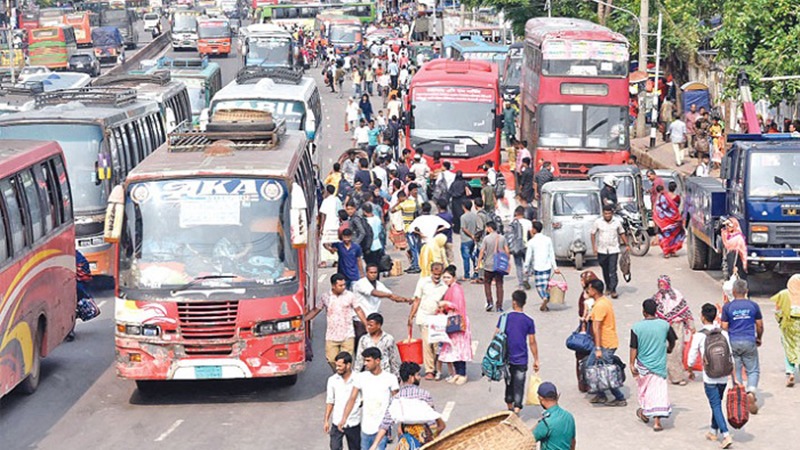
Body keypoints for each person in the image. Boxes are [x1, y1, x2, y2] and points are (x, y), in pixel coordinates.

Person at [687, 304, 736, 448]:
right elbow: (730, 354)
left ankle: (726, 434)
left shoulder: (700, 335)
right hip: (723, 375)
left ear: (702, 317)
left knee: (715, 404)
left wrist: (690, 369)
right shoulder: (724, 333)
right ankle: (713, 431)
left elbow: (691, 356)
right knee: (717, 403)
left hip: (709, 376)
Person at [369, 362, 446, 449]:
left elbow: (385, 424)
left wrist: (375, 444)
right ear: (411, 377)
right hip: (424, 440)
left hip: (406, 442)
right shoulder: (424, 395)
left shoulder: (396, 398)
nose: (420, 378)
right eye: (417, 375)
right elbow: (432, 420)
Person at [630, 299, 677, 432]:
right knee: (658, 392)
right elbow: (673, 340)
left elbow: (633, 347)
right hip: (659, 364)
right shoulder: (664, 325)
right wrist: (669, 349)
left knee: (645, 391)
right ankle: (656, 421)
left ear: (643, 312)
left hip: (643, 365)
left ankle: (645, 411)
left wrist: (631, 363)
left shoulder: (636, 327)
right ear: (655, 311)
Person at [339, 348, 400, 450]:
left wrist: (399, 424)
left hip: (382, 428)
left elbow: (397, 402)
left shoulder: (390, 378)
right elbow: (352, 399)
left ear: (377, 361)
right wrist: (344, 418)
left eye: (368, 360)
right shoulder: (361, 377)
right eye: (364, 360)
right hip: (366, 428)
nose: (365, 363)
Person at [306, 274, 369, 372]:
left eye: (344, 285)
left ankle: (346, 380)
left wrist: (366, 324)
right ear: (333, 286)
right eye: (340, 285)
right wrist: (303, 320)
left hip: (348, 334)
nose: (343, 287)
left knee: (347, 361)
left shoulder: (350, 296)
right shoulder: (325, 297)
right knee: (331, 359)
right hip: (331, 336)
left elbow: (358, 310)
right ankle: (340, 374)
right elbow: (315, 310)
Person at [721, 279, 763, 414]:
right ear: (746, 291)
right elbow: (760, 325)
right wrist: (759, 338)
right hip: (749, 340)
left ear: (733, 292)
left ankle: (739, 393)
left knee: (736, 369)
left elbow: (724, 326)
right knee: (753, 369)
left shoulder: (727, 307)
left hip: (733, 341)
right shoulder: (753, 306)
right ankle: (751, 391)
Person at [498, 290, 540, 414]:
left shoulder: (504, 318)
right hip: (522, 358)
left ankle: (509, 406)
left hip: (507, 357)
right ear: (524, 303)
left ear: (514, 302)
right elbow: (532, 341)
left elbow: (497, 336)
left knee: (508, 382)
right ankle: (517, 409)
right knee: (519, 384)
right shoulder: (528, 321)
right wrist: (536, 359)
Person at [586, 279, 626, 406]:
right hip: (605, 342)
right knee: (591, 365)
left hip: (605, 343)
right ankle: (601, 394)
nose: (588, 290)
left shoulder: (600, 305)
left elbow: (596, 328)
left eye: (590, 288)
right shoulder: (603, 302)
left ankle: (619, 397)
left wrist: (597, 348)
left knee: (606, 372)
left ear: (594, 290)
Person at [352, 264, 407, 351]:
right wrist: (389, 295)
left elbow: (392, 296)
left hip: (373, 320)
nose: (373, 274)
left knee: (373, 345)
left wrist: (406, 300)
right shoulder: (360, 283)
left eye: (375, 272)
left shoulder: (379, 284)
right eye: (371, 272)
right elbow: (374, 293)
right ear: (367, 273)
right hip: (360, 320)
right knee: (360, 346)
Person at [652, 275, 695, 385]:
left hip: (676, 326)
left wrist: (691, 326)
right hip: (662, 326)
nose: (661, 287)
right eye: (660, 284)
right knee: (663, 351)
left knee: (676, 351)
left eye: (663, 284)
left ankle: (678, 377)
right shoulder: (657, 297)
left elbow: (685, 311)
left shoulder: (677, 296)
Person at [408, 263, 448, 379]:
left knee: (436, 345)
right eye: (435, 274)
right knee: (427, 343)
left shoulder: (444, 286)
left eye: (439, 274)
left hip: (437, 319)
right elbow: (417, 300)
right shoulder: (423, 282)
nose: (437, 277)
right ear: (431, 272)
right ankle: (429, 369)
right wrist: (411, 315)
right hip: (424, 317)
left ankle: (435, 366)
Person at [437, 265, 473, 385]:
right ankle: (457, 373)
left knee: (460, 349)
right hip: (452, 319)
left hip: (458, 320)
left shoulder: (456, 289)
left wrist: (446, 303)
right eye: (444, 277)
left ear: (454, 278)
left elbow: (458, 306)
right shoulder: (450, 288)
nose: (446, 279)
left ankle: (462, 373)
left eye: (448, 277)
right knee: (454, 349)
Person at [325, 352, 362, 450]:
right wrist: (326, 420)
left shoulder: (358, 379)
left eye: (340, 366)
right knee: (335, 447)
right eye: (336, 365)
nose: (337, 368)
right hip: (337, 422)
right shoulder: (332, 380)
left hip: (353, 422)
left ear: (348, 365)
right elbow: (330, 401)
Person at [591, 205, 629, 299]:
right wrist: (594, 248)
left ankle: (613, 289)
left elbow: (621, 233)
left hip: (613, 249)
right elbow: (593, 234)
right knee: (605, 270)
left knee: (613, 270)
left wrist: (627, 244)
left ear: (612, 213)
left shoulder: (617, 222)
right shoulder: (598, 222)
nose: (607, 215)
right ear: (603, 213)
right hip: (602, 250)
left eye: (609, 213)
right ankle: (607, 286)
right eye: (605, 213)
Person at [771, 274, 800, 387]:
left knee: (789, 347)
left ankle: (790, 372)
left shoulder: (784, 294)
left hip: (788, 325)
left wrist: (780, 321)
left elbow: (778, 311)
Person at [524, 221, 560, 312]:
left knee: (539, 286)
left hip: (537, 267)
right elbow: (551, 254)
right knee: (546, 285)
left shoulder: (531, 242)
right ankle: (546, 299)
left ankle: (544, 297)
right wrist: (555, 267)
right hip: (547, 267)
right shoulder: (548, 239)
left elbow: (528, 256)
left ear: (534, 230)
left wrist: (526, 268)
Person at [532, 382, 577, 450]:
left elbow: (528, 439)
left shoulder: (546, 423)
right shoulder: (569, 416)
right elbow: (572, 442)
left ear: (540, 398)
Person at [354, 313, 401, 377]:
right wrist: (356, 375)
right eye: (367, 325)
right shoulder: (363, 339)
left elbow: (393, 358)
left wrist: (396, 375)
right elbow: (359, 359)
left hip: (385, 373)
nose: (368, 327)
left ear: (378, 325)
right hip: (369, 375)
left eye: (371, 325)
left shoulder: (388, 339)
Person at [575, 271, 599, 392]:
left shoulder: (586, 296)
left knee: (584, 356)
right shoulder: (597, 296)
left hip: (589, 330)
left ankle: (586, 383)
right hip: (593, 330)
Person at [478, 221, 510, 312]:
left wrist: (478, 263)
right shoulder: (502, 238)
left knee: (487, 283)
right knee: (499, 284)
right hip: (499, 265)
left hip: (488, 264)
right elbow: (507, 251)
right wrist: (506, 261)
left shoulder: (486, 239)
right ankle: (499, 306)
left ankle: (489, 302)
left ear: (489, 228)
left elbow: (482, 251)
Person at [653, 181, 686, 258]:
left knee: (666, 236)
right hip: (675, 219)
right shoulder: (677, 197)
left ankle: (667, 252)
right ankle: (672, 251)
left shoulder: (663, 196)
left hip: (665, 220)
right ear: (675, 188)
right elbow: (677, 207)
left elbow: (659, 207)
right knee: (675, 235)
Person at [392, 190, 420, 274]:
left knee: (413, 248)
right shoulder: (413, 202)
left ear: (400, 197)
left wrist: (397, 203)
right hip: (415, 227)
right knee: (415, 246)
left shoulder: (402, 204)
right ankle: (414, 264)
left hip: (408, 229)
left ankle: (416, 265)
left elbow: (392, 210)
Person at [320, 184, 344, 267]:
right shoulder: (337, 200)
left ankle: (324, 261)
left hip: (328, 225)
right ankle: (336, 260)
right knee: (336, 242)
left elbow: (323, 215)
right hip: (336, 225)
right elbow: (341, 212)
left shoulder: (325, 201)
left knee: (324, 242)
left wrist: (321, 226)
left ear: (327, 191)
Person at [509, 206, 533, 291]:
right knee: (527, 264)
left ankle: (520, 284)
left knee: (518, 265)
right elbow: (531, 234)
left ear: (516, 213)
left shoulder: (513, 222)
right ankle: (526, 278)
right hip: (526, 246)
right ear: (524, 213)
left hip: (516, 247)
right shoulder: (528, 222)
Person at [458, 199, 480, 281]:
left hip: (465, 239)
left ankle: (466, 275)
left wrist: (471, 235)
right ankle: (476, 272)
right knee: (473, 256)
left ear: (463, 207)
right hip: (473, 240)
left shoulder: (463, 217)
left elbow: (464, 228)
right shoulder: (475, 215)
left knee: (466, 258)